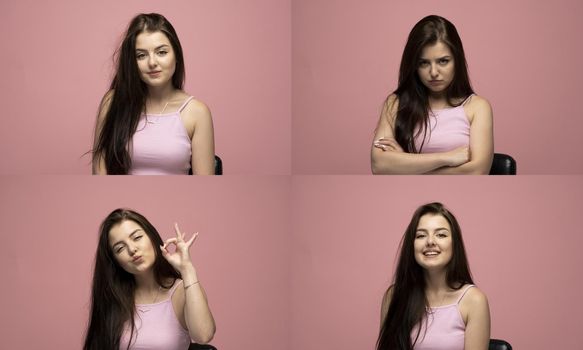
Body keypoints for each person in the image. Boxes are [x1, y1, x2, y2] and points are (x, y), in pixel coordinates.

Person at [92, 13, 215, 175]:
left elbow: (204, 188)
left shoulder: (197, 113)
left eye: (161, 52)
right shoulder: (113, 102)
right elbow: (99, 175)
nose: (152, 63)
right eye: (141, 55)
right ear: (132, 62)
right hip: (120, 200)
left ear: (176, 55)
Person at [371, 15, 493, 174]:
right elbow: (379, 165)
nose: (433, 72)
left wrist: (405, 165)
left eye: (443, 61)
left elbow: (476, 172)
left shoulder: (478, 107)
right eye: (424, 63)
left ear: (457, 60)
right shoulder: (395, 103)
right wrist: (447, 157)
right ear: (414, 66)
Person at [84, 208, 216, 350]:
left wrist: (187, 269)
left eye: (137, 238)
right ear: (115, 261)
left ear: (151, 237)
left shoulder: (182, 291)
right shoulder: (113, 299)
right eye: (120, 248)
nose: (132, 249)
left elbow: (203, 335)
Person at [376, 202, 490, 350]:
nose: (430, 242)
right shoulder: (393, 296)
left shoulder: (474, 300)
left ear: (455, 244)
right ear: (412, 245)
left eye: (441, 234)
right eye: (421, 235)